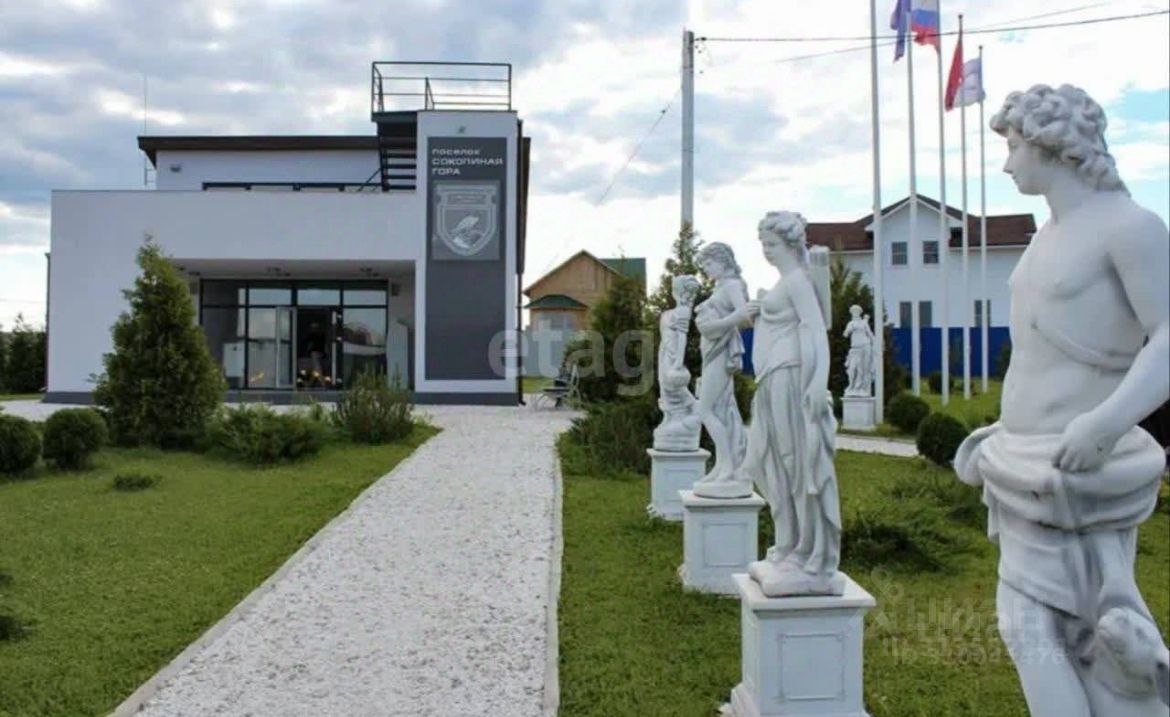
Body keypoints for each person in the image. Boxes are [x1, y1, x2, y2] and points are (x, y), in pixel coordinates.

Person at [955, 84, 1170, 716]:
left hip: (1081, 466)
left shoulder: (1130, 227)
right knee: (1054, 632)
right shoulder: (1046, 235)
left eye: (1013, 147)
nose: (1007, 164)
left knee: (1066, 631)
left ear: (1052, 145)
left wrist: (1106, 424)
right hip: (1025, 460)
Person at [743, 211, 843, 596]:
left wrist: (818, 382)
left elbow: (816, 331)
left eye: (771, 244)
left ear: (789, 244)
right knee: (770, 461)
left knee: (795, 462)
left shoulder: (798, 281)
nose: (766, 251)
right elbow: (781, 323)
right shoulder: (784, 282)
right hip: (773, 377)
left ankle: (808, 551)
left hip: (790, 376)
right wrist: (761, 312)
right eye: (763, 245)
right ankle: (788, 543)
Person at [653, 275, 702, 451]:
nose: (689, 297)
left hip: (674, 357)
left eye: (692, 294)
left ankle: (695, 407)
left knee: (673, 386)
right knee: (665, 388)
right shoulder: (670, 313)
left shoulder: (683, 312)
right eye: (687, 293)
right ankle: (670, 417)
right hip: (665, 353)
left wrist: (678, 363)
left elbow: (682, 338)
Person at [843, 304, 875, 397]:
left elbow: (870, 334)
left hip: (865, 346)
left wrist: (876, 344)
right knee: (852, 369)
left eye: (856, 311)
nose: (855, 313)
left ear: (859, 313)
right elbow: (845, 334)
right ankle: (851, 386)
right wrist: (850, 329)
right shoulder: (851, 323)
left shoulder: (863, 323)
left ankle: (860, 388)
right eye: (853, 312)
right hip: (855, 349)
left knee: (863, 369)